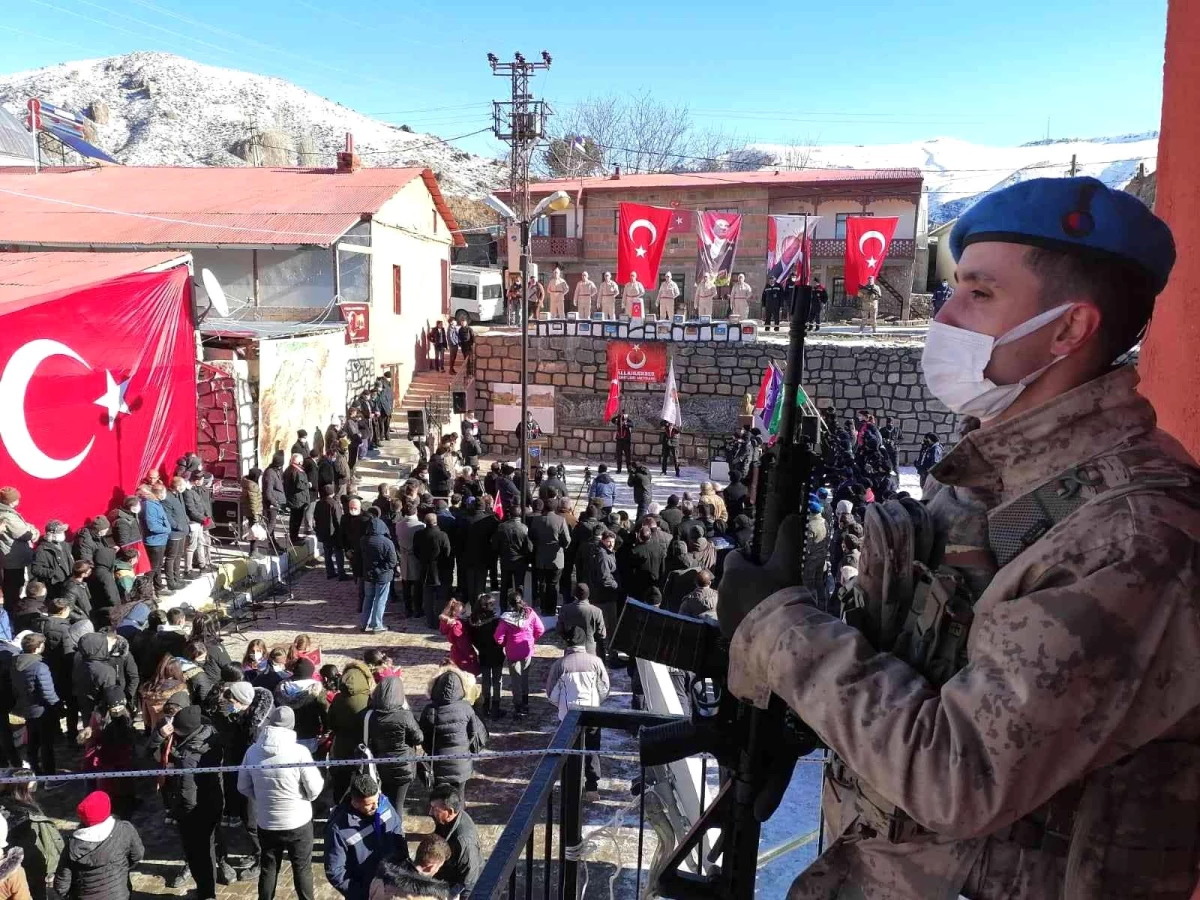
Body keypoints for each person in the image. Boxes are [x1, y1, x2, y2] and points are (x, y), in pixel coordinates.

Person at [723, 177, 1200, 897]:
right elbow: (925, 663)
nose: (944, 315)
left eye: (978, 293)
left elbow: (962, 774)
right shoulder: (992, 472)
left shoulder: (1129, 533)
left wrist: (782, 633)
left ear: (1069, 330)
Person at [238, 706, 324, 900]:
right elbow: (315, 788)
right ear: (292, 726)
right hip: (298, 822)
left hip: (267, 822)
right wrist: (304, 798)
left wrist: (261, 798)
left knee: (268, 868)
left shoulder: (252, 751)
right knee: (302, 868)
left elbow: (242, 786)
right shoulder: (299, 752)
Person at [165, 704, 225, 898]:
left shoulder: (188, 758)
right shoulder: (211, 735)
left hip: (196, 813)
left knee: (199, 856)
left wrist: (183, 816)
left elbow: (188, 796)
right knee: (209, 848)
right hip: (215, 800)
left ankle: (207, 893)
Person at [545, 625, 610, 794]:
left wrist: (563, 705)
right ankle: (592, 787)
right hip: (592, 714)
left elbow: (551, 694)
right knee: (592, 749)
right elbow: (605, 689)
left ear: (567, 642)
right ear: (584, 642)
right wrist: (595, 702)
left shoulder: (560, 665)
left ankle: (571, 788)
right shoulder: (596, 662)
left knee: (569, 752)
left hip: (568, 716)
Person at [324, 773, 407, 900]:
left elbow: (398, 831)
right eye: (370, 804)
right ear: (355, 803)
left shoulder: (383, 803)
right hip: (365, 891)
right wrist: (364, 894)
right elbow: (336, 871)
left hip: (392, 881)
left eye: (377, 800)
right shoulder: (338, 829)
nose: (376, 806)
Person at [53, 791, 143, 900]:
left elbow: (61, 887)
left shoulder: (71, 846)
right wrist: (120, 868)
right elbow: (137, 856)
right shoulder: (124, 829)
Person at [419, 668, 487, 794]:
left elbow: (424, 738)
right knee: (458, 798)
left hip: (438, 764)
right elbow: (473, 733)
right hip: (461, 763)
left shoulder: (429, 710)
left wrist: (431, 750)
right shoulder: (467, 708)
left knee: (439, 798)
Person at [365, 675, 423, 816]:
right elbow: (418, 738)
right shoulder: (404, 716)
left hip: (382, 765)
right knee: (397, 803)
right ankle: (394, 832)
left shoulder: (371, 715)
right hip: (404, 767)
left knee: (385, 798)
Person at [0, 769, 62, 900]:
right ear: (24, 785)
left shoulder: (4, 805)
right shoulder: (29, 815)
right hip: (28, 868)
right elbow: (44, 843)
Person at [327, 660, 375, 802]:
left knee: (340, 784)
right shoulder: (369, 700)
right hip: (363, 748)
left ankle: (338, 808)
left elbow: (331, 723)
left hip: (341, 747)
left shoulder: (337, 699)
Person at [11, 633, 59, 776]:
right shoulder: (40, 666)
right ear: (38, 647)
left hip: (26, 707)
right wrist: (57, 705)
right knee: (46, 744)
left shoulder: (15, 663)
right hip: (42, 710)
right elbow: (48, 692)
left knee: (32, 740)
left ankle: (35, 769)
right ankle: (50, 773)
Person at [493, 589, 544, 718]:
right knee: (525, 676)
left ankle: (517, 705)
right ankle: (525, 703)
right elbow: (540, 629)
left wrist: (505, 643)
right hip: (526, 649)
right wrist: (532, 639)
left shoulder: (505, 619)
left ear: (510, 604)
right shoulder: (530, 613)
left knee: (515, 679)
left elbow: (498, 637)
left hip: (512, 651)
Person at [428, 785, 482, 896]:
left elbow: (468, 882)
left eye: (434, 809)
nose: (430, 812)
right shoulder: (446, 820)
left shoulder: (464, 842)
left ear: (450, 811)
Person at [527, 498, 570, 617]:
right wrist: (560, 546)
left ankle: (543, 606)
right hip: (556, 557)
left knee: (543, 583)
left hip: (540, 556)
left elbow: (531, 536)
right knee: (553, 584)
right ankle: (551, 609)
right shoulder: (560, 520)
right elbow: (567, 540)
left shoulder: (536, 520)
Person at [466, 594, 506, 718]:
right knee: (497, 681)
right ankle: (495, 708)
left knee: (486, 681)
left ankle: (485, 707)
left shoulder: (474, 621)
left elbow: (472, 639)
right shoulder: (496, 621)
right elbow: (501, 638)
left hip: (483, 654)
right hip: (497, 654)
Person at [0, 488, 37, 610]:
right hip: (13, 558)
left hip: (12, 557)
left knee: (13, 585)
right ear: (11, 501)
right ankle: (12, 612)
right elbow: (24, 533)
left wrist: (28, 527)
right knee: (14, 587)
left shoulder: (7, 512)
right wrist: (34, 532)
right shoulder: (7, 516)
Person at [360, 515, 397, 634]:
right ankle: (376, 625)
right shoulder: (387, 542)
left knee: (368, 598)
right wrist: (380, 570)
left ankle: (363, 623)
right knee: (380, 600)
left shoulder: (363, 540)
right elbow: (392, 561)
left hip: (368, 575)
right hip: (383, 576)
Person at [415, 514, 451, 629]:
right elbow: (447, 553)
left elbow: (416, 551)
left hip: (425, 570)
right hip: (440, 570)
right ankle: (440, 621)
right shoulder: (442, 535)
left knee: (428, 597)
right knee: (440, 597)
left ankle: (430, 621)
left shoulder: (419, 534)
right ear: (436, 521)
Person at [490, 512, 531, 597]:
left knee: (504, 585)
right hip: (519, 560)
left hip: (506, 559)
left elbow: (495, 544)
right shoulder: (524, 528)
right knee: (519, 585)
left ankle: (503, 606)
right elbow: (529, 547)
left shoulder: (502, 527)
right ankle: (519, 605)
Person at [30, 521, 71, 600]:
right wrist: (54, 573)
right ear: (50, 534)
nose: (62, 534)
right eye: (59, 532)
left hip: (68, 582)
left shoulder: (64, 544)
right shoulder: (42, 550)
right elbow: (36, 569)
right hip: (55, 586)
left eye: (62, 531)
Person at [314, 483, 347, 581]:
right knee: (338, 552)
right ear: (332, 492)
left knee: (327, 553)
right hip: (334, 533)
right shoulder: (334, 503)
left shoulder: (319, 503)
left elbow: (316, 517)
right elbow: (338, 519)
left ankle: (330, 572)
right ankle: (341, 573)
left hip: (323, 533)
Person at [284, 453, 312, 545]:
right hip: (297, 500)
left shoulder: (289, 469)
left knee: (295, 520)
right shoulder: (295, 471)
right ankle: (294, 538)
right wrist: (309, 485)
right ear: (299, 462)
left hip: (294, 499)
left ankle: (294, 536)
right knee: (296, 520)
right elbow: (299, 485)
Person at [261, 452, 287, 552]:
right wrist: (275, 503)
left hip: (275, 503)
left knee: (273, 525)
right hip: (271, 505)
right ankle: (270, 545)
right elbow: (268, 492)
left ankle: (273, 544)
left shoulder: (275, 471)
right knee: (271, 525)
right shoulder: (270, 474)